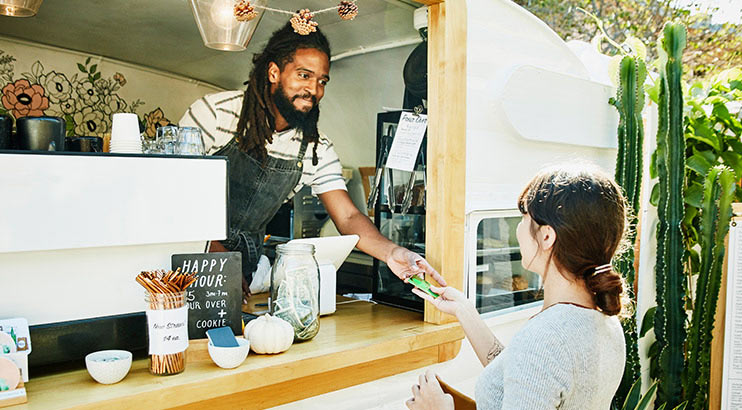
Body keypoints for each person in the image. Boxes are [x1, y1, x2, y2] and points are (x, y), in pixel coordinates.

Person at [179, 22, 442, 292]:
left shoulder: (316, 148)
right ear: (274, 72)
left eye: (322, 81)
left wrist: (392, 253)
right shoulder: (214, 114)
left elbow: (349, 217)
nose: (314, 90)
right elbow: (171, 196)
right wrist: (217, 258)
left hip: (245, 271)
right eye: (304, 75)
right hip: (184, 260)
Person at [405, 165, 629, 410]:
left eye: (524, 218)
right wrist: (465, 311)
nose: (518, 229)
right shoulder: (606, 322)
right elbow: (525, 376)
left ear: (546, 237)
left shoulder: (544, 339)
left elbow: (535, 362)